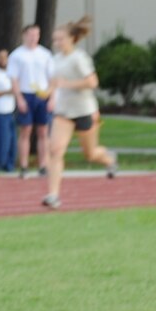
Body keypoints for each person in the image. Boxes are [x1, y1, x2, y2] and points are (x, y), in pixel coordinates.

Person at [43, 18, 117, 209]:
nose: (57, 43)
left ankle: (109, 159)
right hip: (64, 111)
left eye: (60, 39)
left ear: (72, 39)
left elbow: (92, 82)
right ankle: (53, 195)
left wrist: (68, 85)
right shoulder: (56, 59)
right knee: (56, 150)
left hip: (85, 110)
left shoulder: (80, 58)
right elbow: (54, 83)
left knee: (90, 154)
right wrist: (47, 94)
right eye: (55, 40)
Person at [5, 23, 53, 178]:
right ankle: (24, 165)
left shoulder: (45, 54)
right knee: (25, 130)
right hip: (26, 93)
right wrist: (19, 98)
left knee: (43, 131)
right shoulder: (17, 55)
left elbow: (53, 78)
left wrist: (52, 97)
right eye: (31, 34)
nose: (34, 38)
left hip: (42, 94)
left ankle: (43, 165)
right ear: (24, 35)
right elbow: (14, 79)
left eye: (36, 35)